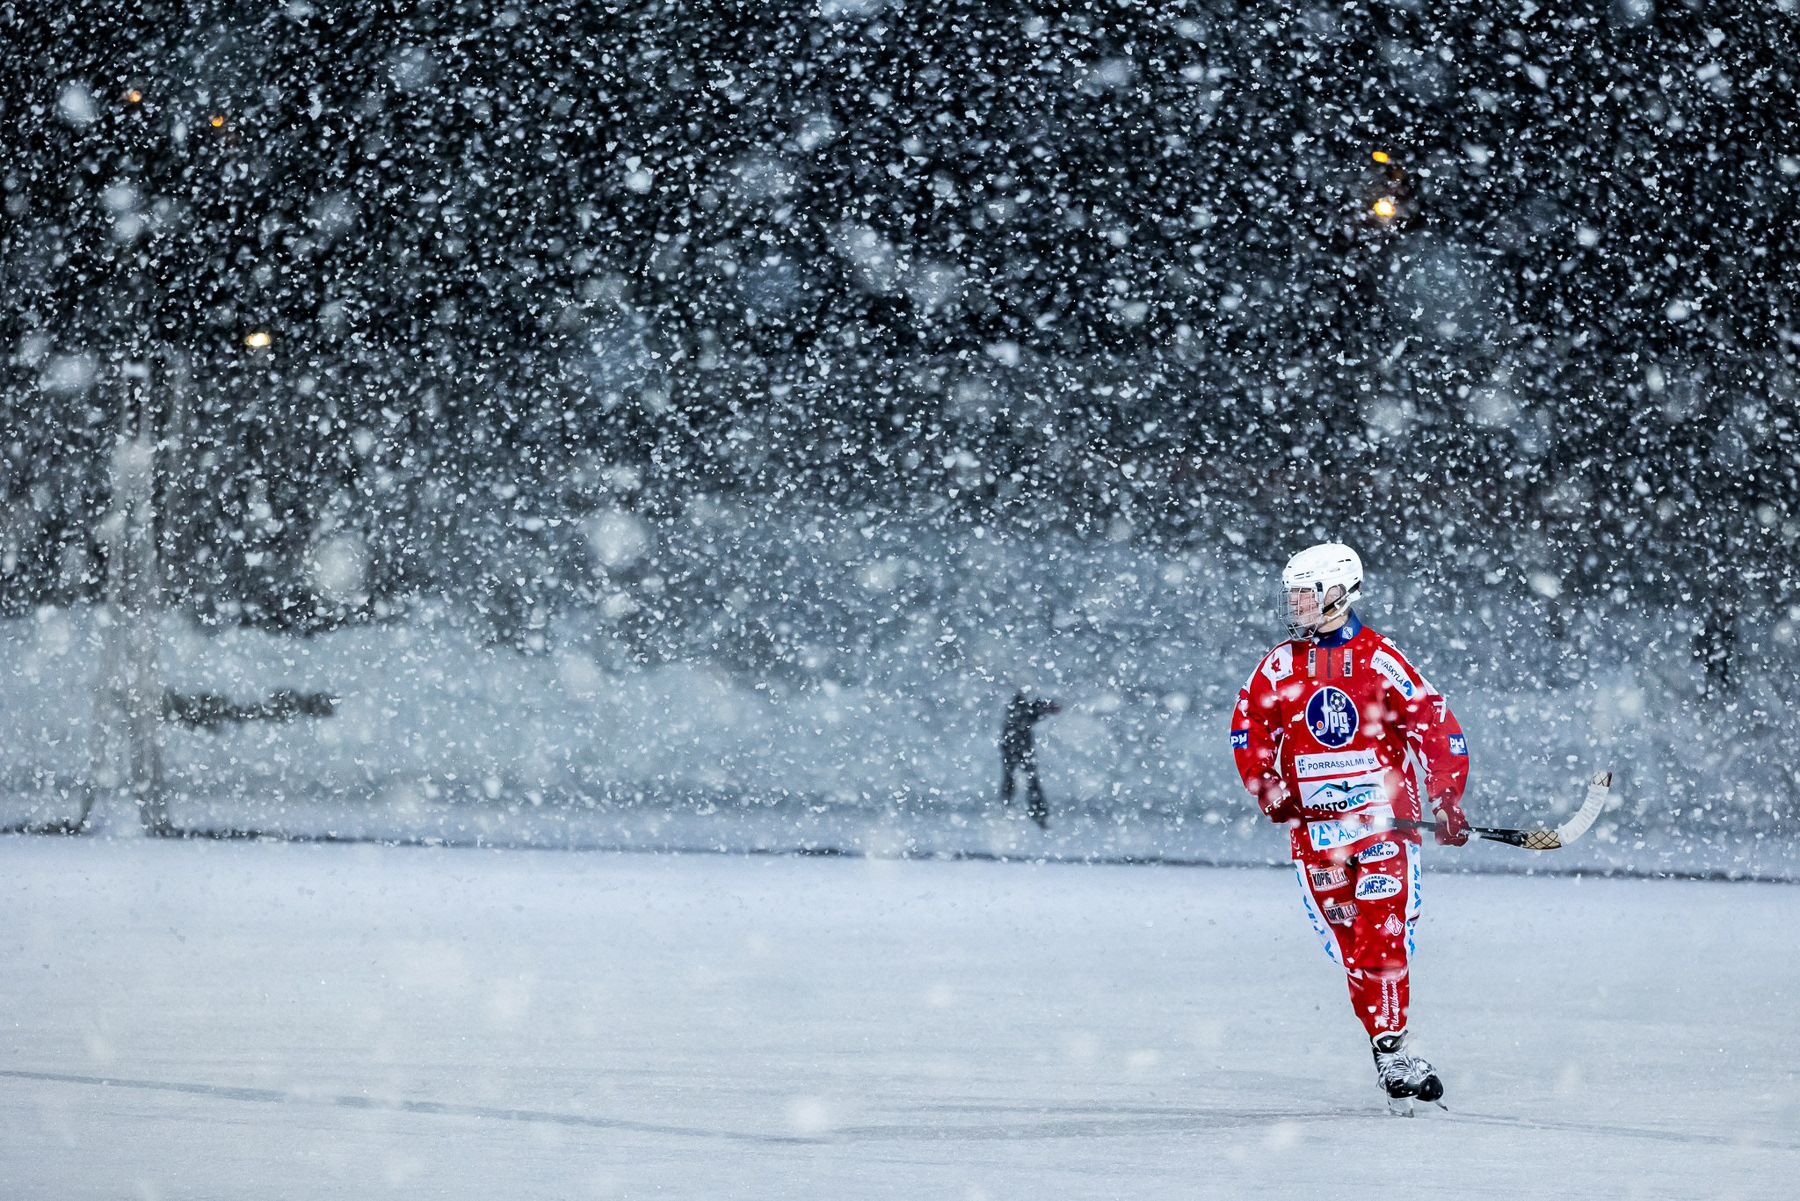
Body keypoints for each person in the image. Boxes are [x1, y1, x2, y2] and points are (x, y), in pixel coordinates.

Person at [1230, 543, 1472, 1114]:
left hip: (1384, 829)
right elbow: (1249, 733)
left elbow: (1435, 726)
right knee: (1354, 951)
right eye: (1291, 594)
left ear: (1340, 591)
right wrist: (1271, 791)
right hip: (1317, 838)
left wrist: (1444, 796)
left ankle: (1390, 1052)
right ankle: (1393, 1052)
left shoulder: (1381, 660)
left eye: (1305, 593)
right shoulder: (1278, 666)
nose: (1295, 604)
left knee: (1380, 931)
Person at [1000, 691, 1060, 829]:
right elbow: (1030, 714)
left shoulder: (1018, 705)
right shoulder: (1021, 705)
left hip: (1013, 746)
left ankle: (1010, 809)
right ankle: (1035, 814)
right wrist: (1047, 709)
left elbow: (1029, 714)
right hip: (1019, 746)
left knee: (1014, 780)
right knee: (1027, 781)